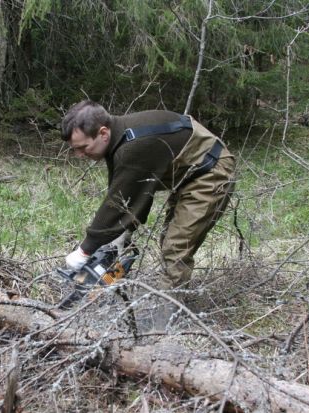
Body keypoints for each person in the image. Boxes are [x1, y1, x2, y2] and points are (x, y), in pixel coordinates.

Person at [61, 100, 235, 328]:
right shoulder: (119, 138)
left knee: (176, 245)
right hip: (188, 174)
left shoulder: (132, 146)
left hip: (211, 172)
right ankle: (166, 303)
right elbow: (136, 192)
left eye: (83, 148)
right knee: (169, 239)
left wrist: (86, 249)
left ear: (103, 133)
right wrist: (123, 233)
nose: (80, 155)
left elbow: (115, 203)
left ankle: (161, 322)